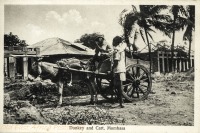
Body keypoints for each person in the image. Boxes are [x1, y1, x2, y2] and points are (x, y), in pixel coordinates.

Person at [112, 36, 127, 108]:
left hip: (118, 70)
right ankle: (121, 102)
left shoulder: (117, 50)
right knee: (118, 86)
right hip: (121, 69)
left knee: (118, 86)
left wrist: (112, 69)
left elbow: (116, 61)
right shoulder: (121, 50)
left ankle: (121, 103)